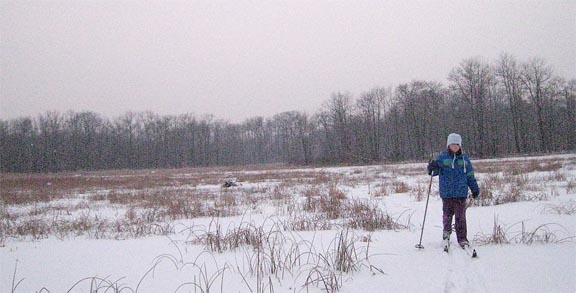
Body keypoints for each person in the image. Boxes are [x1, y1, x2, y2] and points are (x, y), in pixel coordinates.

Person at [427, 133, 480, 248]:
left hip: (461, 193)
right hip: (447, 193)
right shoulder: (442, 158)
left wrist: (474, 188)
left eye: (457, 145)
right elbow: (434, 172)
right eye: (452, 144)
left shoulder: (465, 159)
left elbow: (470, 175)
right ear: (448, 145)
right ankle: (446, 234)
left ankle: (462, 238)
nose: (455, 147)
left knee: (460, 217)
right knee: (447, 215)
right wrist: (431, 166)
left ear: (460, 145)